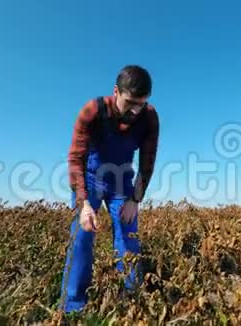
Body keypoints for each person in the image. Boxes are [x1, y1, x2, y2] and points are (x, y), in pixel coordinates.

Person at [59, 65, 160, 313]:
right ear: (116, 92)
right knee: (82, 235)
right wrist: (83, 204)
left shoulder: (148, 117)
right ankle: (73, 306)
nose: (135, 111)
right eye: (130, 103)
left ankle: (130, 302)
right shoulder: (93, 110)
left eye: (141, 104)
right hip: (91, 177)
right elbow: (75, 159)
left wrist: (135, 199)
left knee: (128, 234)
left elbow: (147, 163)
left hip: (121, 181)